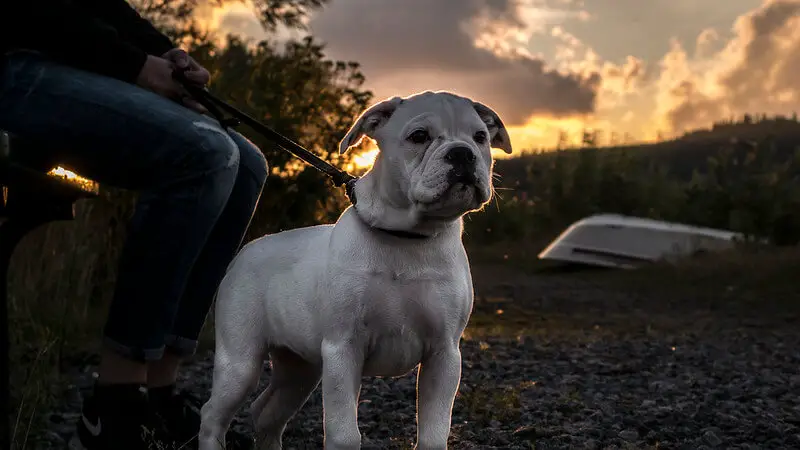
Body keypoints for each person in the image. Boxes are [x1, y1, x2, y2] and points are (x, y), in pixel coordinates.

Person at [1, 0, 268, 448]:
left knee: (246, 166)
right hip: (15, 65)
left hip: (66, 64)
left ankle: (158, 394)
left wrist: (169, 58)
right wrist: (135, 65)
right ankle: (114, 408)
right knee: (204, 154)